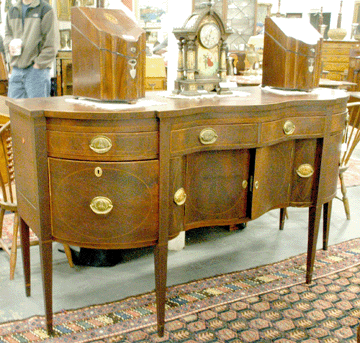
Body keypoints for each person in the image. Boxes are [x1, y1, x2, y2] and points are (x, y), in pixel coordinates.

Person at [4, 0, 59, 99]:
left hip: (37, 72)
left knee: (36, 111)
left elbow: (52, 43)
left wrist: (38, 65)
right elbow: (7, 35)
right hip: (16, 70)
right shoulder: (12, 10)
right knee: (14, 111)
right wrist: (9, 45)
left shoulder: (45, 10)